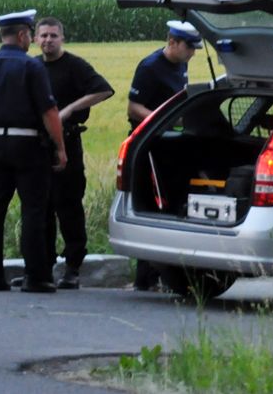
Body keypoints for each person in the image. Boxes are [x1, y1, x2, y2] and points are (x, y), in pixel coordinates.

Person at [0, 9, 67, 294]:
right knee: (33, 210)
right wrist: (59, 147)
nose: (32, 41)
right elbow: (49, 111)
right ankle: (36, 277)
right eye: (31, 35)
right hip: (29, 146)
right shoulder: (32, 68)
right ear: (23, 35)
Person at [34, 17, 114, 289]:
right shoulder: (32, 66)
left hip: (68, 142)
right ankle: (42, 268)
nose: (48, 40)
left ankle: (72, 267)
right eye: (43, 35)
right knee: (40, 209)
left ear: (62, 38)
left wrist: (68, 110)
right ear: (35, 39)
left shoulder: (75, 66)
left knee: (68, 206)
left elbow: (104, 89)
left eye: (53, 35)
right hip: (37, 146)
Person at [126, 20, 202, 290]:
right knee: (153, 204)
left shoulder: (182, 63)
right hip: (150, 143)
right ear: (172, 42)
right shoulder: (149, 67)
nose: (192, 53)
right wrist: (162, 121)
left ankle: (161, 275)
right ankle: (145, 278)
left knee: (171, 204)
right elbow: (134, 107)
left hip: (172, 143)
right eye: (189, 47)